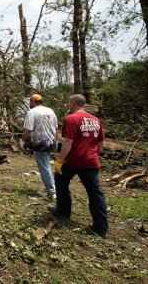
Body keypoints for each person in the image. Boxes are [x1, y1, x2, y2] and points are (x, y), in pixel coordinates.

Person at [52, 94, 108, 238]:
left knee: (60, 181)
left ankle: (63, 212)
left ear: (74, 103)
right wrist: (94, 153)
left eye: (69, 103)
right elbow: (101, 144)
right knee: (95, 193)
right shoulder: (96, 120)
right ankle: (100, 227)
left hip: (73, 161)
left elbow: (68, 143)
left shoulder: (70, 119)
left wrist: (59, 161)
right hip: (91, 161)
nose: (68, 105)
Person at [22, 93, 58, 200]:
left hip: (39, 143)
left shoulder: (32, 112)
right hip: (51, 142)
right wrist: (55, 141)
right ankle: (52, 187)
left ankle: (52, 191)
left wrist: (25, 141)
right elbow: (56, 128)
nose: (29, 104)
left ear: (33, 102)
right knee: (46, 164)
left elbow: (28, 130)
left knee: (44, 167)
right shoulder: (50, 110)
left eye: (30, 102)